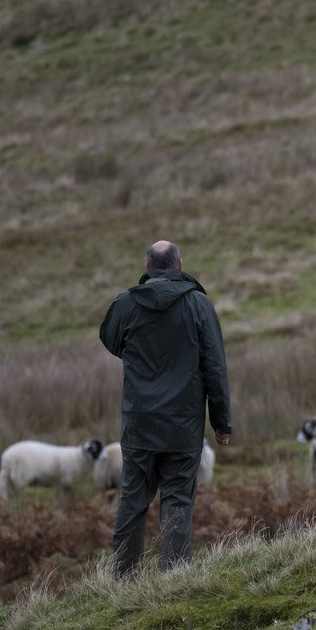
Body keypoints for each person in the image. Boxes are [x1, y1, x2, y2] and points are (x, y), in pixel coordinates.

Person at [99, 240, 232, 577]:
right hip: (183, 424)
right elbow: (214, 365)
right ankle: (172, 579)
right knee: (177, 500)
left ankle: (124, 579)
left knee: (133, 500)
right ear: (180, 265)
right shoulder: (199, 305)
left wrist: (140, 357)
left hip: (139, 422)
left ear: (148, 268)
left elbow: (111, 339)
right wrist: (221, 422)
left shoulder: (126, 304)